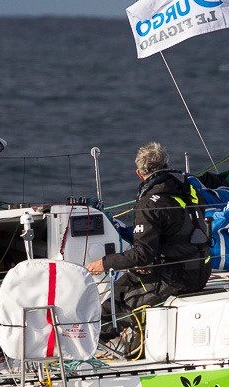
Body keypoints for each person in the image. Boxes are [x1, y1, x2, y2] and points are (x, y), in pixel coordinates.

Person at [86, 142, 211, 339]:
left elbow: (142, 254)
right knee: (125, 283)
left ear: (139, 173)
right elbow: (175, 231)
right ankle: (136, 341)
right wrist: (126, 231)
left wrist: (104, 263)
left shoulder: (149, 203)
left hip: (175, 278)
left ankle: (89, 354)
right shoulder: (188, 190)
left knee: (111, 309)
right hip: (200, 270)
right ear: (167, 165)